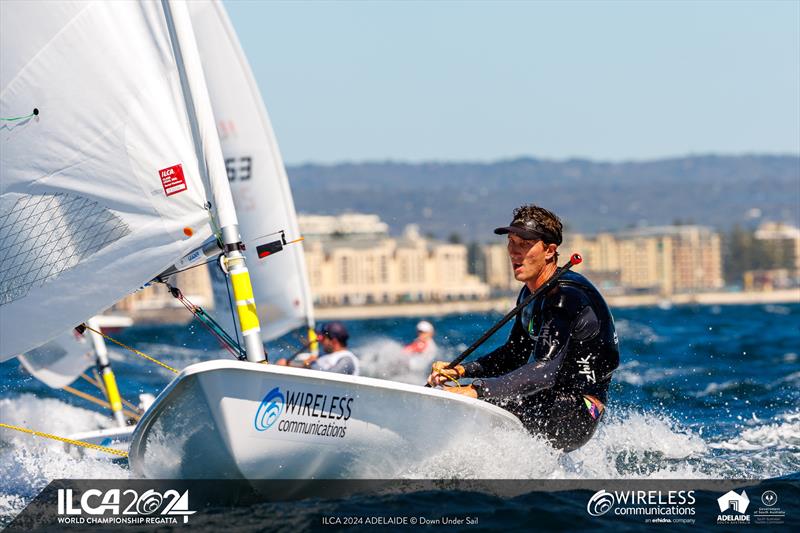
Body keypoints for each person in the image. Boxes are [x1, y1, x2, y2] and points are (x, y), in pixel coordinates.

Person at [427, 205, 619, 452]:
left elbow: (545, 370)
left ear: (549, 251)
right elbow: (513, 354)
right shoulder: (530, 293)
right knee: (488, 396)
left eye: (524, 244)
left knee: (482, 402)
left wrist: (476, 390)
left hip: (578, 412)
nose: (514, 252)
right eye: (511, 242)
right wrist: (461, 370)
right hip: (548, 399)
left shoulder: (565, 297)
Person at [277, 321, 360, 375]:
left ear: (334, 341)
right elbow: (309, 367)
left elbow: (330, 376)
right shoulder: (322, 355)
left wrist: (310, 365)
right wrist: (288, 365)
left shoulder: (346, 359)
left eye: (323, 338)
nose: (320, 341)